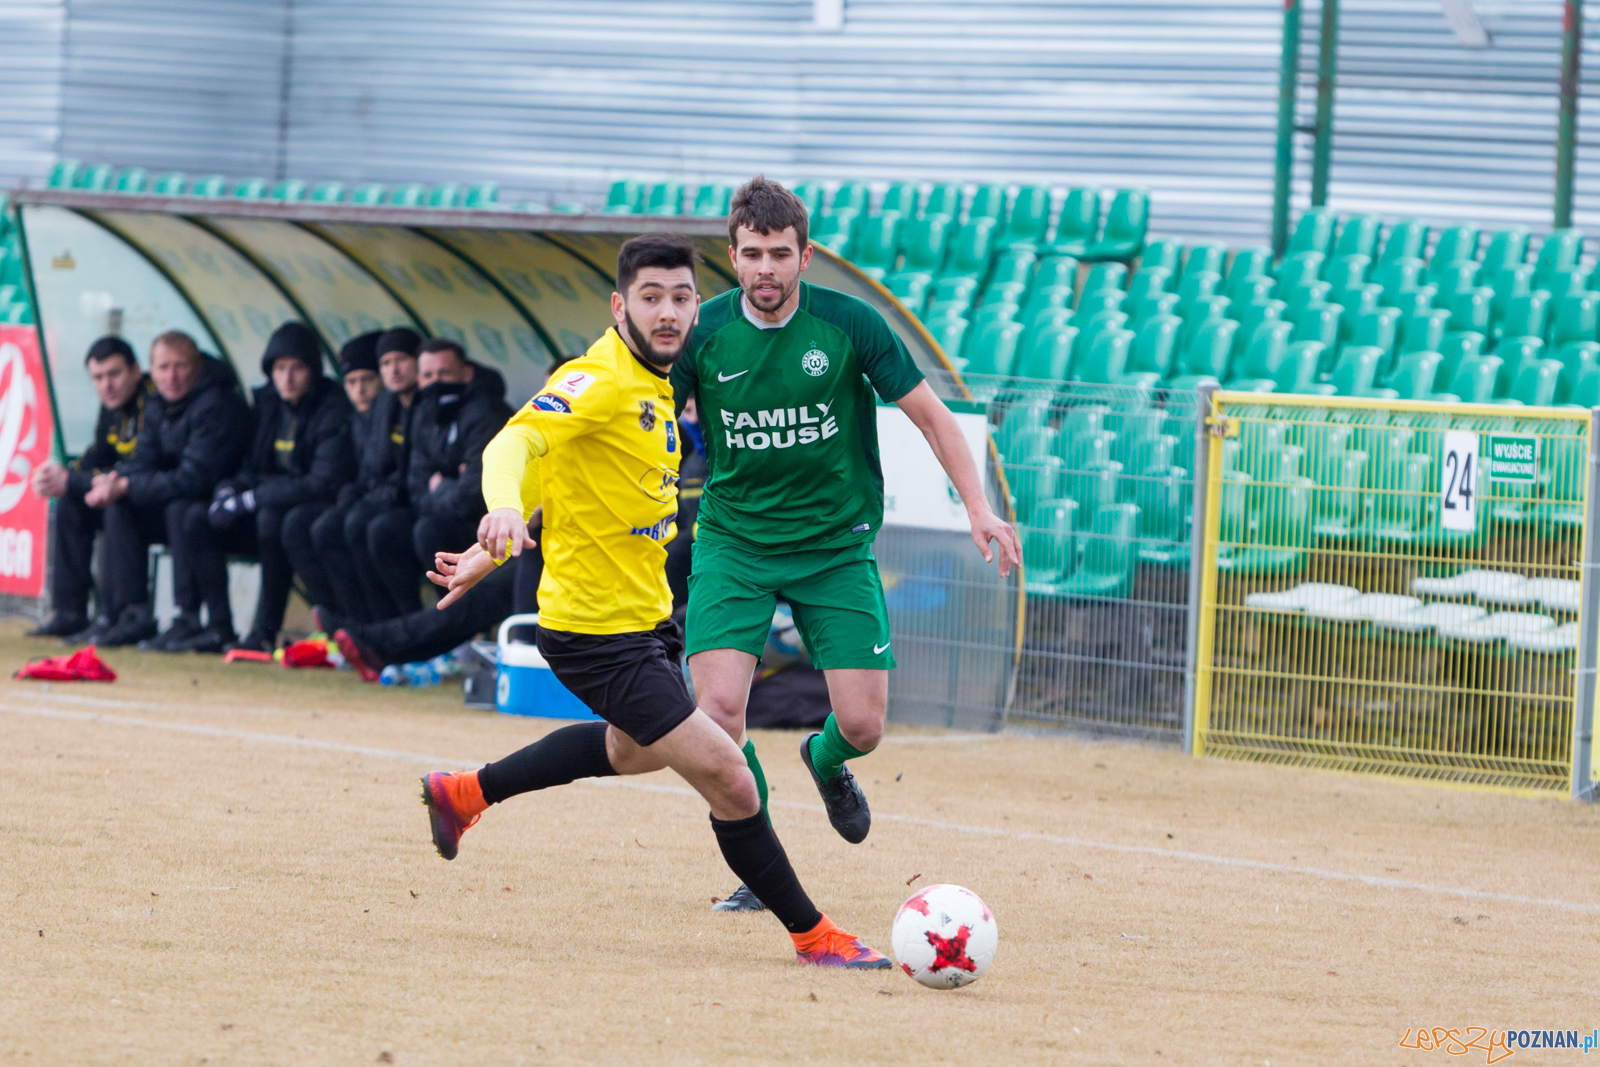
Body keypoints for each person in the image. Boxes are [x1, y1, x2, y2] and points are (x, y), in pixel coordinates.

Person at [420, 233, 889, 969]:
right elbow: (517, 445)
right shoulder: (597, 378)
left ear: (697, 306)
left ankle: (463, 793)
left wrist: (488, 554)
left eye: (680, 298)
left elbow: (568, 468)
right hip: (592, 634)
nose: (668, 313)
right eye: (650, 298)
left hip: (642, 625)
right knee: (729, 773)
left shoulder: (657, 383)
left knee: (623, 749)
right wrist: (500, 512)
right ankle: (813, 933)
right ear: (620, 304)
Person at [677, 176, 1021, 910]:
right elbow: (638, 413)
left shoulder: (850, 324)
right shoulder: (701, 332)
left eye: (779, 253)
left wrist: (979, 507)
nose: (765, 268)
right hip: (734, 540)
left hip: (835, 545)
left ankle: (824, 760)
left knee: (862, 725)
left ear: (805, 255)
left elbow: (932, 417)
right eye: (751, 255)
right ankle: (760, 866)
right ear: (731, 258)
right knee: (717, 713)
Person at [153, 322, 354, 653]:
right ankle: (220, 629)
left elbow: (322, 482)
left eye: (297, 368)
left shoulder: (331, 408)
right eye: (279, 368)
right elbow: (250, 465)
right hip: (264, 509)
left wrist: (251, 498)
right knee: (196, 518)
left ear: (313, 371)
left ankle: (265, 631)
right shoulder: (267, 405)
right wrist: (228, 491)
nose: (287, 378)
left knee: (272, 520)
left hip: (302, 514)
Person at [90, 331, 251, 647]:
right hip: (182, 502)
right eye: (163, 368)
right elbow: (143, 460)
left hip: (224, 510)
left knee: (181, 507)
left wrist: (129, 484)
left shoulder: (218, 405)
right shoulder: (158, 404)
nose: (171, 377)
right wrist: (116, 481)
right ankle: (132, 613)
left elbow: (195, 478)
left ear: (197, 367)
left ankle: (188, 617)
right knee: (120, 505)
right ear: (152, 371)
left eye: (180, 367)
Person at [365, 339, 507, 615]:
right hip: (442, 512)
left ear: (466, 374)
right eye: (428, 376)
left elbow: (474, 496)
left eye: (444, 374)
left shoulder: (485, 412)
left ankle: (458, 626)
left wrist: (439, 485)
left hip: (483, 524)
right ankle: (408, 621)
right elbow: (417, 485)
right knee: (381, 528)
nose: (436, 382)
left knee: (430, 530)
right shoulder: (425, 412)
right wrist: (446, 486)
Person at [27, 336, 154, 639]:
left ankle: (120, 615)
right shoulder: (111, 407)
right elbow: (100, 455)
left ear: (136, 371)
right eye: (98, 378)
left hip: (154, 498)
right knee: (72, 501)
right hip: (127, 492)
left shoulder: (155, 402)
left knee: (114, 504)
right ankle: (70, 612)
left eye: (114, 374)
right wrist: (61, 477)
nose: (106, 385)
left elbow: (144, 465)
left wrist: (73, 480)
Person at [315, 326, 422, 622]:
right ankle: (358, 621)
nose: (394, 370)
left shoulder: (420, 404)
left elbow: (414, 469)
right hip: (387, 499)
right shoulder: (381, 408)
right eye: (386, 363)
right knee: (324, 527)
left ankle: (401, 622)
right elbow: (372, 470)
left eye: (400, 360)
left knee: (371, 527)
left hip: (416, 505)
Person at [284, 330, 386, 620]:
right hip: (358, 502)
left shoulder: (393, 416)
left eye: (368, 380)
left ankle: (373, 622)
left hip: (385, 508)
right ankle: (337, 616)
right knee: (298, 524)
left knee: (348, 527)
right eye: (352, 382)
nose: (360, 390)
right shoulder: (353, 420)